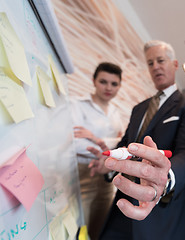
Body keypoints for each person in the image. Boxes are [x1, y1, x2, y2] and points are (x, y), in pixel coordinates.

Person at [90, 40, 185, 240]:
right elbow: (126, 145)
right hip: (124, 202)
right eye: (150, 63)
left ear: (175, 64)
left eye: (160, 60)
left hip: (162, 209)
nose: (155, 67)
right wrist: (106, 165)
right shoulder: (139, 109)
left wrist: (165, 178)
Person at [70, 62, 124, 240]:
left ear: (119, 86)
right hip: (82, 176)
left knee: (99, 230)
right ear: (94, 81)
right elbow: (74, 142)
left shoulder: (116, 113)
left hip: (107, 179)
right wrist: (110, 145)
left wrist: (95, 139)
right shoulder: (77, 105)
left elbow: (121, 143)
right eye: (103, 81)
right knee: (77, 232)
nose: (108, 87)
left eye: (114, 84)